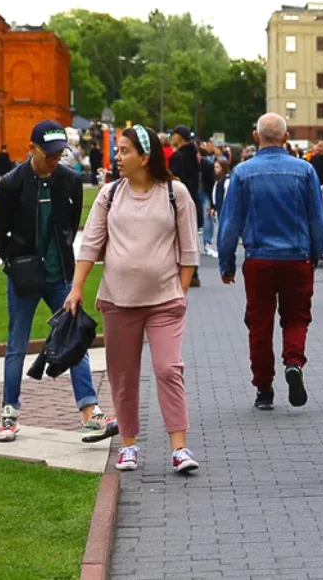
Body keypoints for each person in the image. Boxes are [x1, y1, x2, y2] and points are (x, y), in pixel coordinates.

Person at [65, 124, 200, 474]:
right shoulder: (109, 194)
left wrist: (179, 294)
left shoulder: (176, 193)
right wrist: (77, 287)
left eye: (124, 151)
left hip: (164, 302)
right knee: (123, 376)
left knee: (168, 368)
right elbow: (91, 244)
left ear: (145, 156)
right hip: (118, 302)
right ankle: (128, 444)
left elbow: (189, 251)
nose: (117, 157)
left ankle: (179, 448)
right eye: (118, 150)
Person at [0, 120, 117, 445]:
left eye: (60, 154)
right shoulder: (12, 183)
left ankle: (90, 413)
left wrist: (62, 261)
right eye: (49, 154)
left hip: (60, 276)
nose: (55, 159)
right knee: (16, 345)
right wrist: (15, 261)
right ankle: (9, 413)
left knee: (76, 340)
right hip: (24, 276)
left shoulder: (70, 181)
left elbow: (69, 227)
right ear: (32, 148)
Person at [217, 113, 323, 411]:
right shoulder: (304, 171)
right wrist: (317, 252)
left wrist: (226, 262)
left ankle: (264, 388)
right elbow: (317, 218)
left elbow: (230, 224)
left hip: (259, 259)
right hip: (296, 257)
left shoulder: (242, 173)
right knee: (297, 316)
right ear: (286, 138)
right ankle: (293, 360)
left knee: (259, 324)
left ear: (256, 136)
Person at [167, 126, 202, 287]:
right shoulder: (193, 154)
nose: (171, 138)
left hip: (180, 199)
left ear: (179, 137)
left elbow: (174, 178)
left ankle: (183, 273)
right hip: (193, 198)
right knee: (190, 236)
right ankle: (193, 272)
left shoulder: (178, 156)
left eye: (173, 135)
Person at [205, 158, 230, 258]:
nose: (215, 169)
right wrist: (213, 206)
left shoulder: (226, 181)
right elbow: (214, 195)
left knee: (222, 230)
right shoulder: (217, 181)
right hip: (217, 208)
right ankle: (218, 247)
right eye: (215, 167)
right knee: (218, 229)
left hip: (223, 208)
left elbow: (227, 195)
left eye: (218, 167)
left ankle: (223, 248)